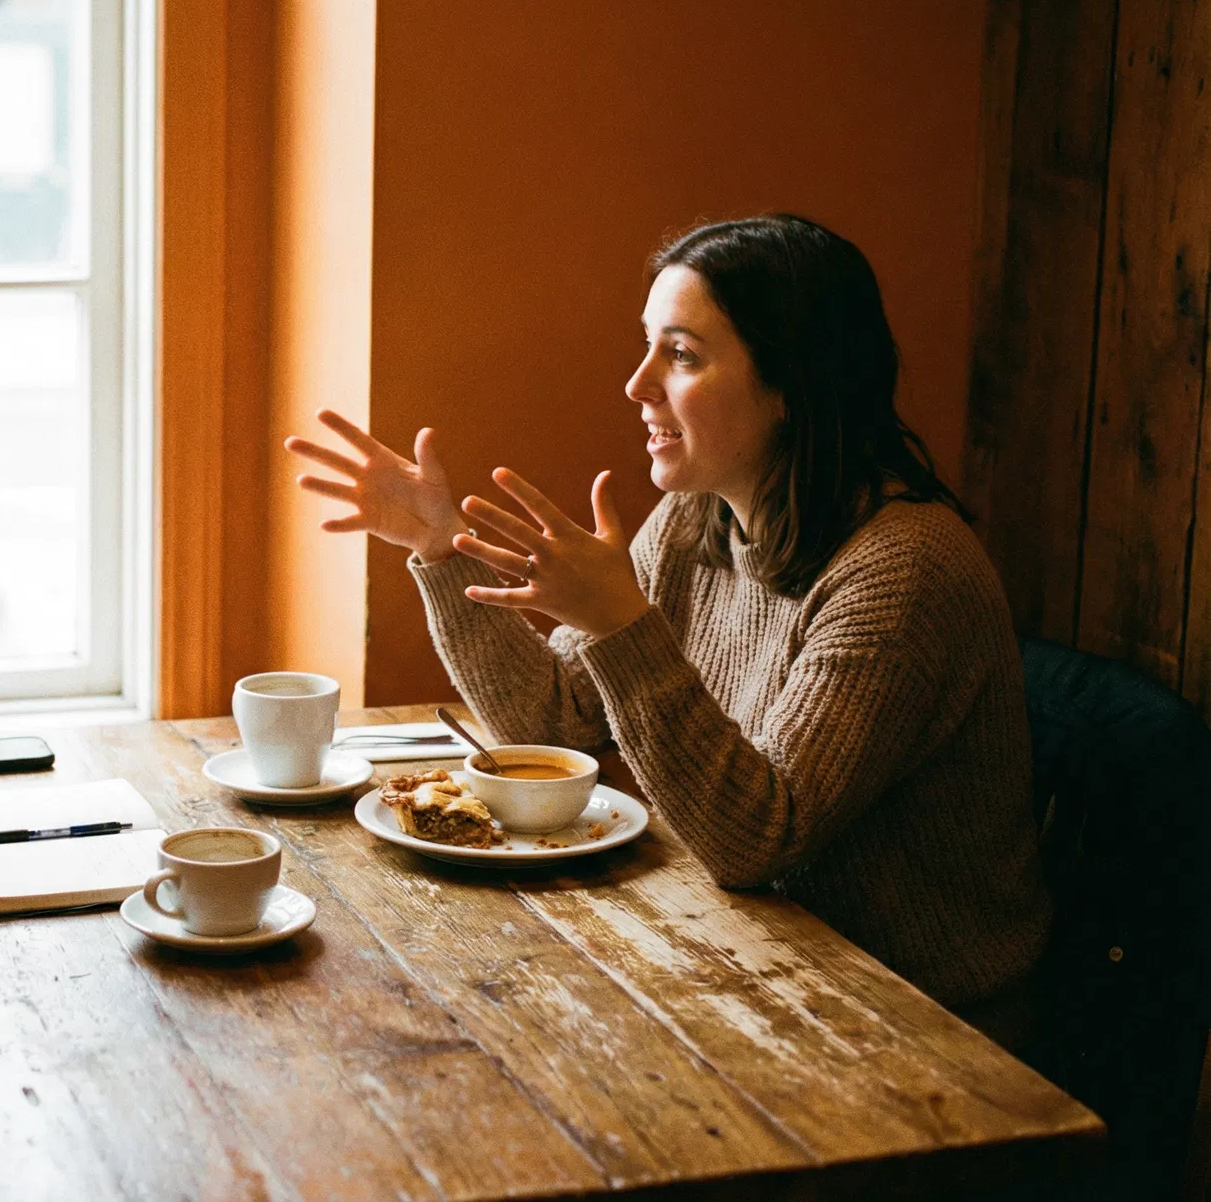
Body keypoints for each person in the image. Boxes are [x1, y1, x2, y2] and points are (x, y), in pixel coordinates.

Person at [285, 214, 1052, 1036]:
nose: (637, 384)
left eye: (681, 355)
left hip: (920, 1023)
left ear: (792, 384)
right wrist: (440, 551)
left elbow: (758, 839)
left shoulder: (905, 568)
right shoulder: (696, 518)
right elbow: (556, 730)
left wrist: (624, 627)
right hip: (752, 959)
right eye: (646, 345)